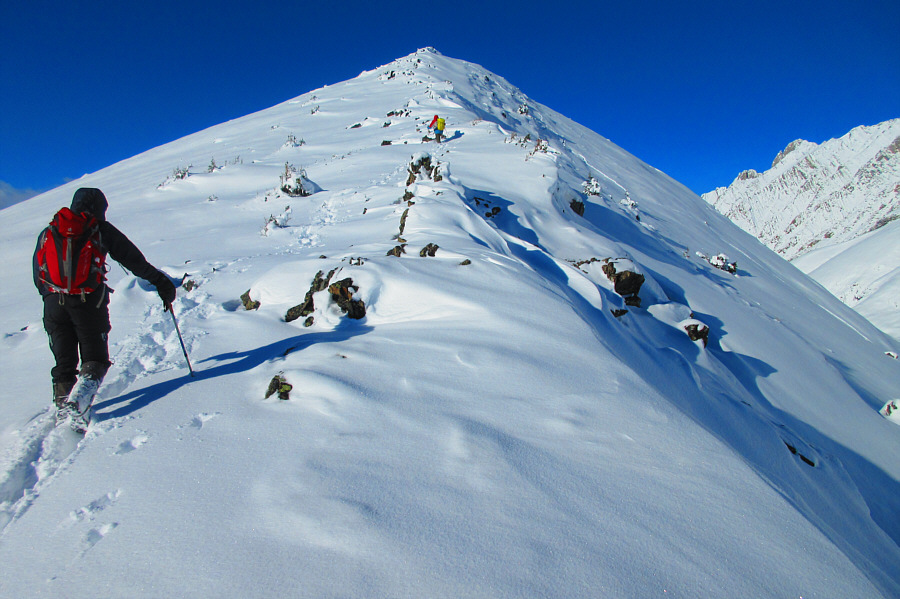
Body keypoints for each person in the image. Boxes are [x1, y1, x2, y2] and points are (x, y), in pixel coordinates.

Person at [33, 187, 176, 431]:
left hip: (53, 304)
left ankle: (63, 413)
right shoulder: (100, 229)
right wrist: (161, 282)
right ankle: (79, 404)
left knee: (64, 363)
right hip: (89, 303)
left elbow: (38, 272)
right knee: (95, 359)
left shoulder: (51, 230)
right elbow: (134, 261)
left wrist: (53, 296)